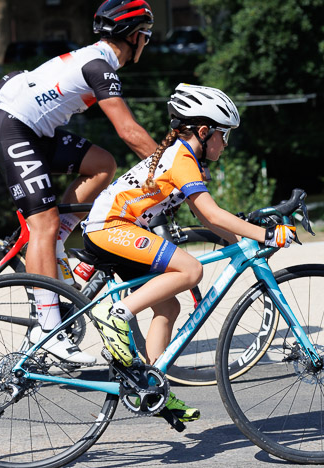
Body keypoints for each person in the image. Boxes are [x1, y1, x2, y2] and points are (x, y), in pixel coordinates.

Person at [83, 83, 298, 422]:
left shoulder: (185, 158)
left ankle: (150, 386)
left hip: (118, 228)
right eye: (223, 135)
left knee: (168, 305)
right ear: (204, 131)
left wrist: (244, 242)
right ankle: (116, 315)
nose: (225, 143)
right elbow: (212, 214)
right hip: (110, 227)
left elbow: (202, 215)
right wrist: (267, 233)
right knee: (190, 270)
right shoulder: (182, 158)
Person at [0, 0, 159, 364]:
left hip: (30, 133)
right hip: (15, 132)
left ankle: (60, 236)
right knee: (41, 223)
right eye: (145, 34)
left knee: (101, 164)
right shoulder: (99, 65)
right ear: (131, 36)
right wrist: (171, 167)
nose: (146, 41)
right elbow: (128, 130)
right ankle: (48, 329)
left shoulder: (94, 59)